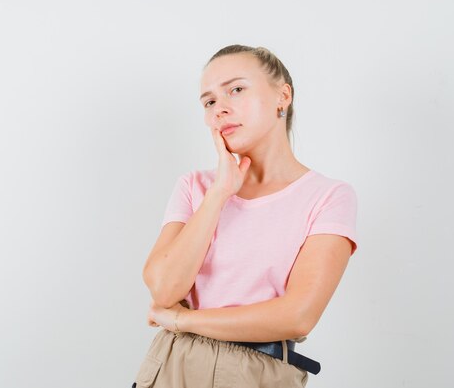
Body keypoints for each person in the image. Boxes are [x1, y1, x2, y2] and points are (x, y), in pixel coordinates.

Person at [133, 44, 359, 388]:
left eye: (236, 90)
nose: (219, 109)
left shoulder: (328, 196)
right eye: (209, 102)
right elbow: (164, 288)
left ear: (282, 96)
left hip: (256, 374)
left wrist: (182, 319)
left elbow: (297, 316)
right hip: (171, 364)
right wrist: (220, 192)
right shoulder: (195, 186)